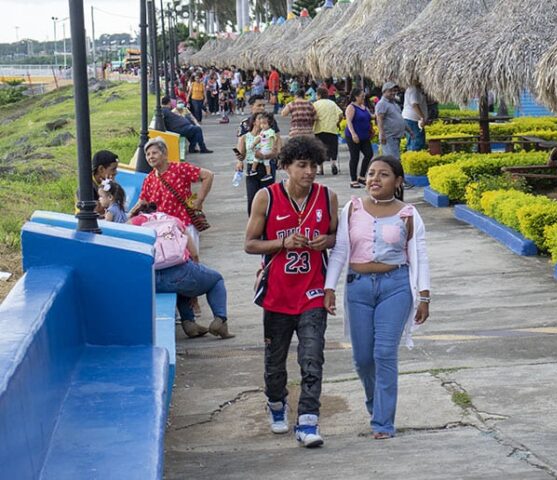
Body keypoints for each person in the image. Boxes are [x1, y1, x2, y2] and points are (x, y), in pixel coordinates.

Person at [323, 156, 430, 439]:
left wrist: (424, 296)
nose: (374, 179)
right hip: (357, 288)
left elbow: (419, 255)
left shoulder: (408, 213)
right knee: (362, 359)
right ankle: (375, 403)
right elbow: (341, 250)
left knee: (384, 353)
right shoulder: (352, 209)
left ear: (397, 182)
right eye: (371, 173)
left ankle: (383, 422)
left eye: (383, 175)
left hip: (395, 287)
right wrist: (329, 287)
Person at [244, 136, 339, 448]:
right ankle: (276, 404)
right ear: (285, 167)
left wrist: (327, 241)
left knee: (312, 358)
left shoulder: (327, 197)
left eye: (314, 165)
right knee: (275, 364)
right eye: (302, 165)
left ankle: (309, 421)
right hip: (278, 294)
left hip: (312, 291)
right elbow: (250, 244)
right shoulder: (265, 197)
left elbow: (336, 237)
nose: (310, 171)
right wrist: (282, 243)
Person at [130, 203, 234, 339]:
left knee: (178, 286)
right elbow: (194, 253)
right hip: (180, 273)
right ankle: (220, 320)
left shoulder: (133, 223)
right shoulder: (172, 220)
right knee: (216, 279)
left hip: (150, 279)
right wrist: (196, 272)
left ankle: (190, 324)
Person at [129, 137, 214, 252]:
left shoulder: (180, 169)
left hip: (185, 225)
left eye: (154, 153)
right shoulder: (149, 178)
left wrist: (199, 200)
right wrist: (128, 217)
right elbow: (142, 201)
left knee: (191, 259)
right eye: (148, 154)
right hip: (164, 230)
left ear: (165, 154)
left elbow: (208, 175)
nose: (150, 157)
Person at [235, 112, 283, 216]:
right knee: (252, 197)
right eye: (259, 119)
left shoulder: (269, 134)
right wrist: (238, 161)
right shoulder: (245, 137)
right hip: (251, 169)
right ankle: (253, 222)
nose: (262, 121)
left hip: (265, 168)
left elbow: (275, 151)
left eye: (264, 119)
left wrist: (266, 156)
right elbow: (240, 153)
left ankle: (268, 223)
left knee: (268, 197)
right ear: (254, 122)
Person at [345, 87, 374, 188]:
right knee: (355, 157)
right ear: (356, 97)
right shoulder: (351, 107)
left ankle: (361, 176)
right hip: (354, 136)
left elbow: (371, 116)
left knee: (369, 154)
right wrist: (353, 134)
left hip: (365, 136)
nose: (363, 98)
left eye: (364, 96)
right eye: (362, 96)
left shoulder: (364, 107)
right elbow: (349, 121)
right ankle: (353, 180)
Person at [375, 82, 411, 160]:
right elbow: (379, 119)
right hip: (389, 137)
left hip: (396, 136)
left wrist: (409, 131)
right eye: (390, 91)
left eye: (394, 91)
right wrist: (382, 134)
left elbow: (400, 118)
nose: (393, 93)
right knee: (393, 159)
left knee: (395, 158)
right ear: (384, 91)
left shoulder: (394, 103)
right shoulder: (382, 104)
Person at [313, 86, 343, 176]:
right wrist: (337, 122)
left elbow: (313, 116)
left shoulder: (315, 104)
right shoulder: (332, 103)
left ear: (319, 95)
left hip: (319, 129)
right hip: (332, 129)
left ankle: (320, 169)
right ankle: (333, 164)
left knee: (319, 149)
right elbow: (341, 114)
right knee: (333, 148)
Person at [402, 83, 429, 151]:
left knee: (414, 141)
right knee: (416, 141)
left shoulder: (417, 89)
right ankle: (414, 158)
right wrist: (422, 117)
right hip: (412, 120)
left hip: (413, 120)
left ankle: (412, 157)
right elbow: (414, 104)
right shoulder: (414, 89)